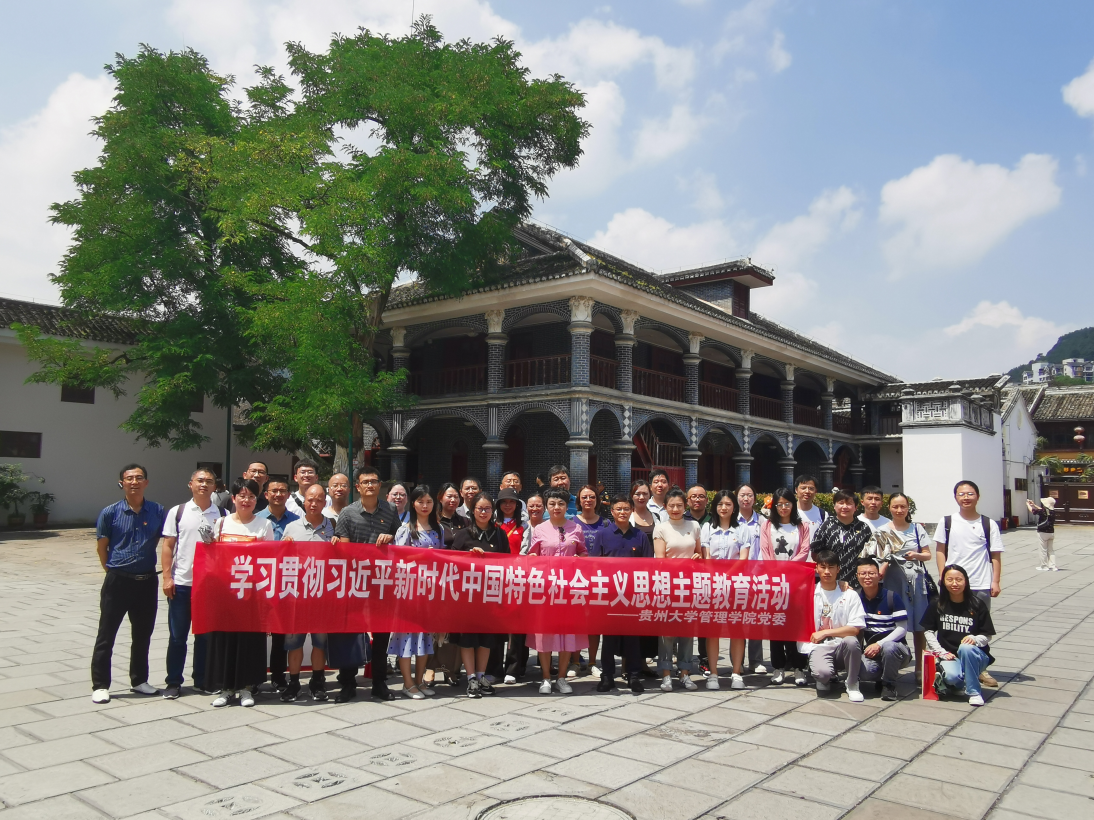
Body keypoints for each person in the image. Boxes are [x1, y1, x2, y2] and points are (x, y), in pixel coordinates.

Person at [91, 464, 165, 704]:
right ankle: (100, 685)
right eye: (129, 478)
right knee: (106, 634)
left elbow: (169, 540)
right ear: (121, 483)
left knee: (143, 634)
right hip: (118, 581)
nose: (134, 482)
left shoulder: (157, 511)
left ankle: (139, 680)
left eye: (139, 478)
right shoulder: (110, 513)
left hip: (147, 582)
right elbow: (102, 548)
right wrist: (112, 571)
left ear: (146, 482)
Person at [331, 467, 401, 702]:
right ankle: (348, 682)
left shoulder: (391, 510)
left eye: (374, 481)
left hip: (382, 582)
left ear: (380, 485)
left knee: (381, 633)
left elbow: (400, 538)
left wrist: (391, 537)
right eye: (365, 482)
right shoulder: (348, 513)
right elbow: (344, 548)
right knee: (351, 632)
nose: (370, 485)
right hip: (355, 582)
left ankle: (379, 682)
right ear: (358, 486)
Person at [206, 478, 276, 707]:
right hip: (226, 594)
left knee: (249, 642)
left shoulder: (264, 525)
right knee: (225, 641)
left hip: (251, 595)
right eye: (242, 496)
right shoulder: (222, 523)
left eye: (251, 496)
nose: (247, 501)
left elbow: (268, 561)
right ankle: (226, 688)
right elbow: (213, 558)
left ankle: (246, 688)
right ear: (234, 498)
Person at [161, 467, 227, 699]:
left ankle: (202, 679)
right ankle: (173, 681)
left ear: (214, 487)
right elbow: (168, 546)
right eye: (200, 480)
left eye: (209, 481)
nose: (204, 484)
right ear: (191, 484)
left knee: (205, 637)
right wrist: (167, 577)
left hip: (210, 586)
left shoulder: (223, 514)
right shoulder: (178, 512)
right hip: (182, 584)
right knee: (177, 636)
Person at [933, 479, 1003, 688]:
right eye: (961, 494)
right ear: (955, 497)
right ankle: (949, 660)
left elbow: (995, 555)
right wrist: (943, 576)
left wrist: (995, 581)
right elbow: (940, 551)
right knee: (951, 623)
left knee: (979, 628)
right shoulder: (947, 521)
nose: (966, 497)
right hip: (953, 583)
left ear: (977, 497)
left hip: (980, 583)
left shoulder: (988, 524)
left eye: (970, 493)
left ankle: (980, 668)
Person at [278, 484, 336, 701]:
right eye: (310, 499)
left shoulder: (333, 527)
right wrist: (284, 546)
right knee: (295, 643)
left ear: (324, 502)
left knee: (320, 642)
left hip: (322, 596)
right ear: (304, 501)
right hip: (296, 596)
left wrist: (338, 544)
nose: (314, 503)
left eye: (319, 499)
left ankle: (317, 681)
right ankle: (293, 683)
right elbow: (281, 561)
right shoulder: (291, 527)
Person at [527, 488, 587, 694]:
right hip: (546, 589)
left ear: (566, 506)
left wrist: (580, 559)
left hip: (569, 590)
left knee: (566, 633)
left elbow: (584, 553)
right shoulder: (540, 529)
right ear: (546, 506)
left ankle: (561, 678)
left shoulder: (575, 528)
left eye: (560, 503)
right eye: (552, 503)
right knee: (544, 634)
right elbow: (533, 556)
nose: (556, 507)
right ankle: (545, 677)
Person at [590, 494, 651, 694]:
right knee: (609, 638)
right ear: (612, 512)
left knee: (633, 638)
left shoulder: (640, 536)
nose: (622, 512)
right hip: (610, 595)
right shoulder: (603, 535)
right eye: (619, 509)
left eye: (626, 509)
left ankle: (633, 676)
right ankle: (607, 676)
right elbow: (594, 565)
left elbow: (648, 567)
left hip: (633, 594)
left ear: (631, 511)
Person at [451, 492, 510, 697]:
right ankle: (471, 678)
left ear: (493, 511)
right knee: (468, 639)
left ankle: (481, 675)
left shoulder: (500, 534)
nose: (483, 512)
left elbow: (508, 562)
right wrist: (468, 556)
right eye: (479, 508)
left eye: (487, 509)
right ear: (473, 510)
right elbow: (451, 561)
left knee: (486, 638)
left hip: (491, 594)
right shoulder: (464, 534)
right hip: (468, 595)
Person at [391, 485, 442, 699]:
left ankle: (420, 680)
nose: (425, 506)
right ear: (413, 503)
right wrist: (421, 556)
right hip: (409, 591)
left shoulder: (438, 529)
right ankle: (407, 682)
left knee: (425, 637)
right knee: (406, 637)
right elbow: (397, 558)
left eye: (429, 502)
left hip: (430, 591)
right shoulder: (405, 529)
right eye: (421, 501)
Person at [922, 564, 996, 706]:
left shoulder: (977, 604)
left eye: (959, 579)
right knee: (951, 677)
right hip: (949, 655)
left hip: (975, 655)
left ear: (965, 581)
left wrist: (975, 639)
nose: (954, 583)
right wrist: (940, 652)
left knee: (966, 648)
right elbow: (928, 631)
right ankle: (956, 684)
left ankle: (974, 692)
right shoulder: (937, 603)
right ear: (943, 581)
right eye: (950, 580)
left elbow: (987, 636)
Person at [798, 548, 866, 702]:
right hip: (818, 646)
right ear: (816, 569)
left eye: (831, 567)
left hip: (842, 645)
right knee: (823, 674)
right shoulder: (808, 593)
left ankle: (852, 684)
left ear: (838, 569)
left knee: (852, 641)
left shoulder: (849, 594)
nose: (827, 571)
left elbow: (855, 628)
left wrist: (825, 632)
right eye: (823, 567)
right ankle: (825, 675)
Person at [759, 487, 811, 686]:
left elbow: (804, 551)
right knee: (776, 625)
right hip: (774, 582)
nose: (783, 508)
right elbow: (765, 551)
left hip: (796, 582)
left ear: (793, 504)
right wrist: (775, 571)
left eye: (787, 504)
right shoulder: (767, 525)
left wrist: (788, 568)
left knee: (796, 626)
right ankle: (778, 667)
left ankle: (798, 668)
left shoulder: (802, 526)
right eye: (779, 504)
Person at [652, 488, 701, 692]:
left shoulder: (694, 526)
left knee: (687, 631)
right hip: (668, 585)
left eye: (679, 505)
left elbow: (698, 553)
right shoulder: (661, 528)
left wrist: (697, 558)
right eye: (671, 505)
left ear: (685, 506)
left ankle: (685, 673)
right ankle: (666, 674)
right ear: (665, 507)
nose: (675, 509)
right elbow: (660, 559)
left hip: (689, 586)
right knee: (667, 632)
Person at [880, 493, 932, 683]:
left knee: (919, 626)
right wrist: (882, 567)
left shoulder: (917, 529)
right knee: (893, 624)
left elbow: (928, 555)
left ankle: (920, 668)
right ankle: (892, 664)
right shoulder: (883, 530)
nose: (899, 510)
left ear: (908, 508)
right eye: (895, 506)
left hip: (915, 581)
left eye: (903, 506)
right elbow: (880, 557)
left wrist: (915, 555)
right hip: (893, 580)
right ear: (889, 508)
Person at [700, 489, 750, 690]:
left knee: (737, 629)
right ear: (715, 507)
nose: (724, 508)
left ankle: (736, 673)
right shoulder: (707, 528)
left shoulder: (742, 529)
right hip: (713, 586)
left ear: (734, 507)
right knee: (713, 630)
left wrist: (727, 577)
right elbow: (706, 557)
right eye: (720, 504)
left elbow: (743, 558)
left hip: (736, 585)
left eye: (728, 504)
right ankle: (713, 674)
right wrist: (717, 578)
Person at [855, 557, 911, 701]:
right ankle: (883, 676)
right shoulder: (856, 597)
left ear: (879, 575)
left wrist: (879, 644)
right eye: (863, 573)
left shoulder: (892, 597)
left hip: (898, 649)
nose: (867, 577)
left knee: (889, 647)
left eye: (871, 573)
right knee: (863, 672)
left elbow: (902, 629)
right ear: (857, 576)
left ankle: (889, 685)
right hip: (873, 652)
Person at [575, 484, 609, 679]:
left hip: (598, 579)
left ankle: (592, 662)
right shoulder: (571, 522)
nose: (588, 500)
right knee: (576, 623)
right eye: (584, 497)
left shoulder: (606, 523)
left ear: (597, 500)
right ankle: (574, 661)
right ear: (579, 501)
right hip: (576, 579)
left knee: (594, 624)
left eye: (592, 497)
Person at [812, 489, 877, 589]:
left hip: (857, 581)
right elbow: (815, 553)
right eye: (841, 503)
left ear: (856, 507)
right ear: (834, 506)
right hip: (831, 581)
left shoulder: (863, 528)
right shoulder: (826, 526)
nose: (845, 507)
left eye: (849, 503)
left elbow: (869, 555)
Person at [736, 483, 766, 674]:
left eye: (749, 495)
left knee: (755, 619)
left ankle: (756, 660)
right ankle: (737, 661)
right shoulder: (731, 520)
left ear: (755, 498)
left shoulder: (763, 521)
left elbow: (766, 548)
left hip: (757, 576)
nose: (746, 498)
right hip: (736, 577)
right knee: (737, 620)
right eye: (742, 495)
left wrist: (759, 571)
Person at [436, 482, 470, 548]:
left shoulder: (466, 522)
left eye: (456, 497)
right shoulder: (435, 522)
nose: (453, 500)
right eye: (449, 496)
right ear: (440, 498)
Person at [1027, 497, 1057, 571]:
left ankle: (1044, 566)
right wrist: (1034, 505)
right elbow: (1041, 510)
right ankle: (1053, 566)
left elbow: (1033, 511)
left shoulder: (1043, 511)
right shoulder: (1052, 511)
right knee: (1051, 550)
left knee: (1043, 550)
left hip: (1043, 532)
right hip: (1051, 532)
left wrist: (1028, 504)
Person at [495, 488, 526, 554]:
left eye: (512, 501)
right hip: (496, 560)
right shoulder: (492, 524)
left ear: (516, 504)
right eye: (504, 502)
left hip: (517, 560)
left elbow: (525, 549)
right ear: (499, 504)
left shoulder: (524, 525)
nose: (508, 505)